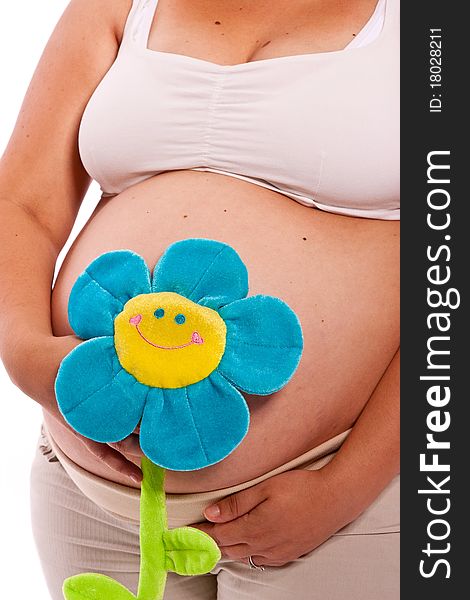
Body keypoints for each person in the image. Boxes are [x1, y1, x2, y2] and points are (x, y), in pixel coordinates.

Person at [0, 0, 400, 598]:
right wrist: (29, 357)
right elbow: (22, 204)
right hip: (94, 502)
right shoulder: (115, 8)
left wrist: (342, 488)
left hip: (331, 498)